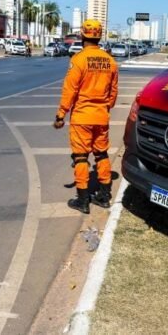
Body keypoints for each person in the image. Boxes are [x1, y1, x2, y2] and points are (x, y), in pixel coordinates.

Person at [53, 19, 119, 214]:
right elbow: (113, 93)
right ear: (99, 36)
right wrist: (105, 108)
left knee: (81, 157)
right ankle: (104, 196)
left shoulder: (79, 60)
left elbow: (69, 91)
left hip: (82, 117)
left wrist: (60, 114)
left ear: (83, 36)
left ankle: (82, 201)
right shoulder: (110, 61)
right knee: (101, 154)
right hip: (101, 117)